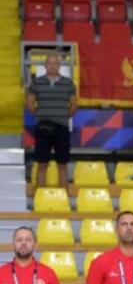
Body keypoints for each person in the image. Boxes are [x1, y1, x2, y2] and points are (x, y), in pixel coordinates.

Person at [26, 52, 76, 188]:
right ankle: (41, 195)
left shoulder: (68, 83)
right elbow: (29, 103)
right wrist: (40, 116)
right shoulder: (37, 82)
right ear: (45, 65)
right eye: (50, 63)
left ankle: (63, 196)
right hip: (43, 128)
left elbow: (74, 105)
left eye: (55, 63)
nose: (53, 66)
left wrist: (63, 117)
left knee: (62, 164)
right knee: (42, 164)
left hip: (62, 128)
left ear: (59, 66)